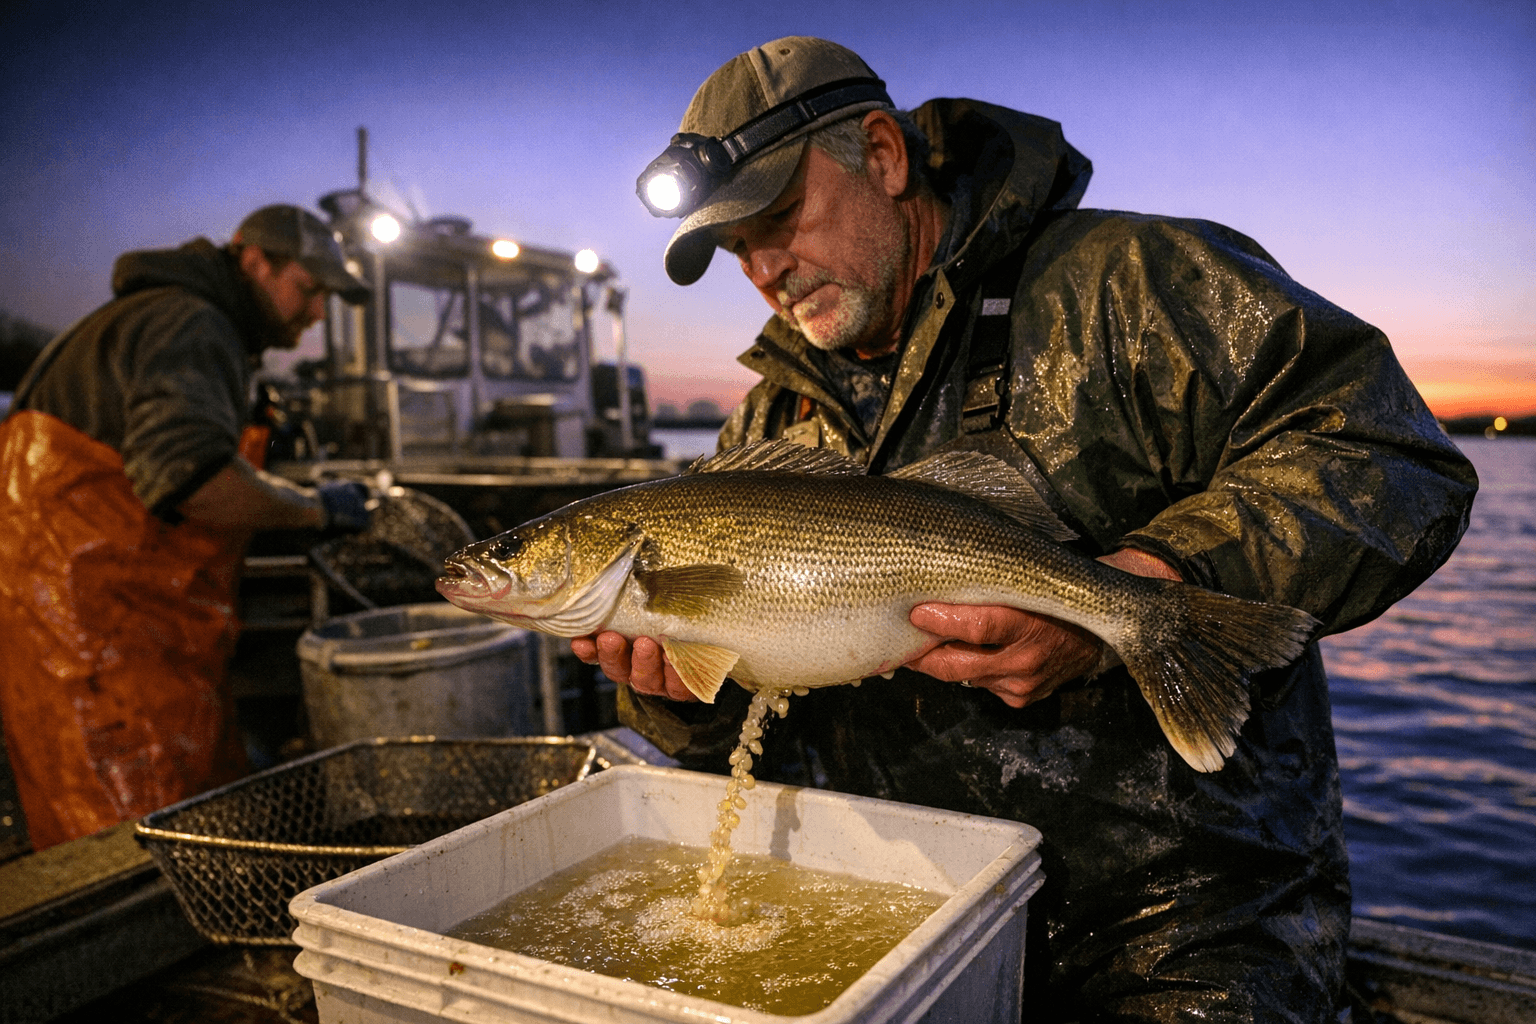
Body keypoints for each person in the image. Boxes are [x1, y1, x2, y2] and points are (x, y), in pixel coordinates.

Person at [580, 37, 1480, 1022]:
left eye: (777, 217)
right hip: (912, 918)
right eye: (735, 248)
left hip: (1180, 937)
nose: (764, 269)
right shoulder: (767, 429)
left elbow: (1388, 453)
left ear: (881, 153)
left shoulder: (1126, 285)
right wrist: (675, 694)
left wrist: (1154, 576)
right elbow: (759, 731)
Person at [0, 204, 374, 850]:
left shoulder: (177, 319)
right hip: (96, 646)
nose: (317, 314)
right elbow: (191, 478)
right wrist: (318, 509)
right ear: (253, 260)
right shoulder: (192, 324)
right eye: (309, 290)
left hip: (123, 636)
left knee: (182, 833)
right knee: (136, 852)